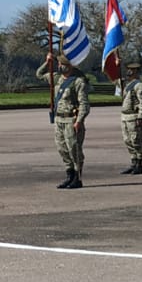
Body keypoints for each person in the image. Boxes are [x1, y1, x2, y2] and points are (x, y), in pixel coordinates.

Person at [37, 53, 89, 188]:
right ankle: (69, 174)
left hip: (71, 120)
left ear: (70, 66)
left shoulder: (78, 82)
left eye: (62, 64)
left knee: (74, 149)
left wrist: (79, 121)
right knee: (62, 148)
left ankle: (78, 177)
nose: (59, 66)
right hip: (59, 119)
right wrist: (47, 62)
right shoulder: (57, 78)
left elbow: (84, 104)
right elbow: (39, 74)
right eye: (59, 64)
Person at [119, 60, 142, 175]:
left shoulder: (139, 85)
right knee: (127, 140)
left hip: (133, 116)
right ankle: (133, 161)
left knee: (136, 140)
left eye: (131, 69)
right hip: (125, 116)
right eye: (128, 69)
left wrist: (140, 117)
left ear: (136, 71)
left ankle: (139, 163)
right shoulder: (127, 85)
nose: (129, 71)